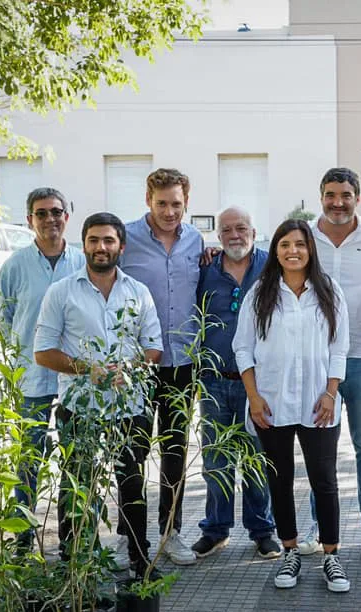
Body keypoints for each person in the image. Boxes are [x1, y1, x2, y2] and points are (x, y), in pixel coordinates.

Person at [34, 212, 163, 576]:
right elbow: (43, 352)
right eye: (93, 240)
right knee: (76, 487)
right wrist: (88, 370)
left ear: (121, 246)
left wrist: (131, 368)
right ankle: (74, 563)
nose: (100, 247)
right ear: (84, 244)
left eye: (108, 240)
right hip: (81, 407)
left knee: (133, 485)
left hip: (130, 406)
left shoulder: (138, 292)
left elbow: (154, 347)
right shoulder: (61, 292)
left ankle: (139, 560)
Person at [232, 219, 351, 593]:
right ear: (276, 249)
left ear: (310, 249)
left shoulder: (328, 291)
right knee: (280, 480)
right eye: (285, 244)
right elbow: (242, 347)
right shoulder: (260, 293)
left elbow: (339, 347)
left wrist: (331, 393)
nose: (292, 251)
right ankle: (289, 550)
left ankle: (331, 554)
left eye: (299, 244)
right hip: (271, 401)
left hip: (319, 403)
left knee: (324, 480)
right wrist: (253, 397)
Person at [302, 167, 361, 561]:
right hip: (317, 359)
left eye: (345, 195)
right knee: (317, 446)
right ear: (320, 196)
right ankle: (316, 523)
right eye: (330, 195)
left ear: (358, 198)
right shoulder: (306, 234)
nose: (337, 202)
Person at [0, 187, 85, 549]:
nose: (50, 219)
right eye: (41, 213)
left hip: (74, 382)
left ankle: (72, 538)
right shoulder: (15, 265)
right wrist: (23, 358)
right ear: (29, 219)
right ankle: (23, 536)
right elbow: (3, 319)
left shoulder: (81, 262)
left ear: (67, 216)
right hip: (31, 380)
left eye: (56, 212)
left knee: (76, 460)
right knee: (27, 460)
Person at [120, 168, 204, 565]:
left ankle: (171, 532)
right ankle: (128, 534)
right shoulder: (127, 239)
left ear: (187, 203)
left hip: (182, 363)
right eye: (162, 204)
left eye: (177, 204)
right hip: (138, 363)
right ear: (148, 201)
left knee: (174, 450)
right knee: (132, 449)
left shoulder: (196, 241)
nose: (170, 212)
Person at [191, 206, 279, 560]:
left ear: (254, 232)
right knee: (216, 459)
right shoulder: (205, 269)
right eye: (226, 230)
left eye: (241, 228)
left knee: (257, 457)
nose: (234, 235)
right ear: (218, 236)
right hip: (214, 380)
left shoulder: (271, 266)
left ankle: (262, 530)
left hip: (258, 383)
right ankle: (215, 529)